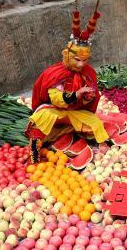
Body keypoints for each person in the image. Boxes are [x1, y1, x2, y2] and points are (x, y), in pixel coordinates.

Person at [25, 10, 109, 163]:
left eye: (85, 60)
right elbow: (56, 99)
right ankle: (34, 154)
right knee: (40, 119)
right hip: (54, 111)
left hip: (74, 113)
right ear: (67, 54)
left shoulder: (87, 72)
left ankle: (97, 146)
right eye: (77, 60)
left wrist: (87, 98)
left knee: (94, 122)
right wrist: (76, 94)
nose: (81, 64)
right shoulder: (54, 73)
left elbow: (87, 102)